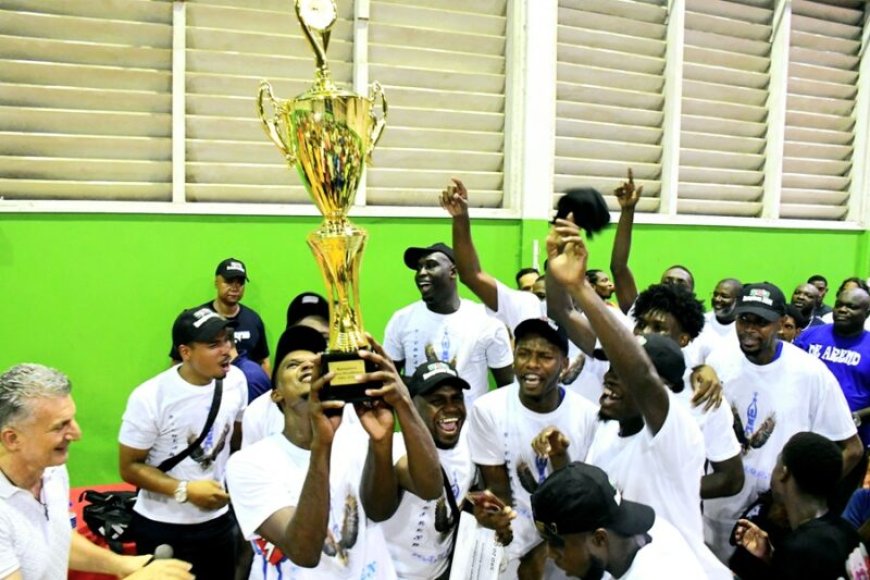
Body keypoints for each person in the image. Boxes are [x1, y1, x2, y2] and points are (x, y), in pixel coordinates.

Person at [545, 217, 731, 578]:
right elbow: (562, 313)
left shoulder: (679, 419)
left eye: (620, 373)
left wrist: (581, 286)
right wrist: (561, 460)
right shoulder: (607, 430)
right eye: (610, 370)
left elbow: (642, 377)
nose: (609, 380)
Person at [226, 332, 421, 579]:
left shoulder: (359, 437)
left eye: (317, 363)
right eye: (293, 364)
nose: (308, 365)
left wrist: (403, 401)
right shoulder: (248, 463)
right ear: (276, 394)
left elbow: (427, 489)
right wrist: (322, 444)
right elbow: (304, 552)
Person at [704, 282, 863, 561]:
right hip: (718, 507)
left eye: (761, 322)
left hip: (775, 516)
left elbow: (852, 449)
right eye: (744, 319)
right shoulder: (718, 361)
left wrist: (802, 498)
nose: (750, 329)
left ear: (781, 323)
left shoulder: (811, 373)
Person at [0, 363, 193, 580]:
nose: (77, 433)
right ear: (12, 439)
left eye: (72, 420)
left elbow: (55, 540)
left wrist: (122, 564)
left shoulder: (51, 471)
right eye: (59, 426)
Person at [119, 307, 248, 580]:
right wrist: (185, 490)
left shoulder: (236, 381)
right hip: (161, 525)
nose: (226, 350)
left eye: (228, 340)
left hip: (218, 523)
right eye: (213, 344)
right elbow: (129, 467)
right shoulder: (150, 397)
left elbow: (236, 442)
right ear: (185, 352)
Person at [465, 318, 599, 578]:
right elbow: (499, 488)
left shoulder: (588, 416)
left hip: (570, 543)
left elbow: (585, 500)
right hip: (513, 542)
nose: (531, 364)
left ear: (564, 365)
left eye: (545, 356)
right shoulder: (487, 409)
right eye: (523, 353)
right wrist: (498, 523)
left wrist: (546, 549)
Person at [372, 361, 477, 579]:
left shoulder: (470, 443)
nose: (450, 408)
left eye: (456, 398)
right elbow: (425, 483)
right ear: (412, 405)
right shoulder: (395, 448)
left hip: (439, 574)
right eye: (436, 401)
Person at [383, 242, 514, 406]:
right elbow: (388, 378)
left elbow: (507, 386)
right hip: (418, 427)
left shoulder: (487, 321)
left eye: (431, 265)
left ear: (453, 271)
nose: (421, 273)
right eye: (418, 268)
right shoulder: (402, 319)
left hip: (471, 427)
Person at [531, 462, 705, 579]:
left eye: (557, 544)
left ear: (599, 538)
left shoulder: (655, 572)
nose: (551, 554)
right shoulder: (653, 532)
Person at [734, 432, 869, 579]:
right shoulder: (848, 532)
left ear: (784, 473)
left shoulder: (798, 550)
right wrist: (771, 556)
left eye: (777, 463)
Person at [440, 178, 543, 332]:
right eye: (537, 294)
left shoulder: (584, 320)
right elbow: (471, 275)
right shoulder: (527, 305)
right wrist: (460, 217)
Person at [795, 287, 870, 467]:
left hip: (849, 440)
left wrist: (857, 416)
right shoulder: (810, 336)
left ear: (867, 313)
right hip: (804, 430)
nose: (843, 310)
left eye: (851, 307)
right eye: (839, 305)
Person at [171, 257, 270, 373]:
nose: (235, 287)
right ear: (216, 282)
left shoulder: (253, 319)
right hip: (206, 386)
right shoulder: (195, 319)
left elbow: (263, 361)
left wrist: (267, 388)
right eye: (229, 281)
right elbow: (177, 362)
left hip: (244, 386)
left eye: (240, 282)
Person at [684, 278, 742, 367]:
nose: (717, 299)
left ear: (738, 300)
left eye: (724, 296)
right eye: (715, 295)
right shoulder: (700, 321)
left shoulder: (745, 327)